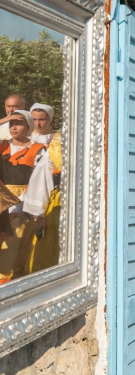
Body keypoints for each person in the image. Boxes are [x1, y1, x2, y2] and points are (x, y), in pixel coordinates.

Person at [0, 110, 49, 282]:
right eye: (11, 123)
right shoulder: (2, 145)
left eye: (19, 123)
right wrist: (4, 119)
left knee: (11, 252)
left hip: (21, 204)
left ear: (28, 126)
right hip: (1, 201)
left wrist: (23, 208)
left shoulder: (38, 150)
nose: (13, 127)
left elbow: (40, 181)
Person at [25, 103, 61, 273]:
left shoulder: (59, 140)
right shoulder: (23, 137)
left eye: (42, 120)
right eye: (34, 120)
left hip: (48, 192)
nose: (38, 124)